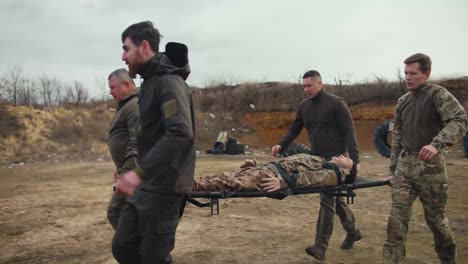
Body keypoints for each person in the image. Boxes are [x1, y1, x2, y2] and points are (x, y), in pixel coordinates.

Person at [111, 21, 195, 264]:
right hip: (149, 184)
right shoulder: (149, 83)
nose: (123, 56)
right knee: (123, 246)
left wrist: (137, 173)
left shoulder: (168, 82)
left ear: (144, 46)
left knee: (153, 257)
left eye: (126, 48)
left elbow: (180, 132)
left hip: (167, 186)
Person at [383, 53, 467, 264]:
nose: (408, 78)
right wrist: (393, 170)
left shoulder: (438, 94)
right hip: (405, 167)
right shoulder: (402, 101)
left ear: (426, 74)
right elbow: (397, 138)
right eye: (405, 73)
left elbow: (459, 120)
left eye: (413, 73)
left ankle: (448, 260)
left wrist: (437, 144)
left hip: (431, 169)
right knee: (396, 220)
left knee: (436, 221)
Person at [271, 70, 361, 260]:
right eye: (303, 86)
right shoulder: (304, 106)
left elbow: (350, 133)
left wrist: (354, 161)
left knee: (327, 198)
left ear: (320, 84)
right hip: (317, 159)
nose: (306, 89)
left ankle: (320, 246)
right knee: (334, 198)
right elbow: (294, 128)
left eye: (309, 85)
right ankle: (353, 231)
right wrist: (281, 144)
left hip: (337, 160)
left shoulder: (336, 103)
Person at [193, 154, 357, 192]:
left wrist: (283, 183)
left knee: (228, 183)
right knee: (223, 176)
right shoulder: (322, 161)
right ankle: (187, 183)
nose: (343, 155)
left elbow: (308, 179)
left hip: (272, 177)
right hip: (268, 169)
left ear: (346, 171)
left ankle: (188, 186)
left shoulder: (333, 174)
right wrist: (255, 165)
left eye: (347, 159)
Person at [106, 68, 139, 230]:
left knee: (115, 211)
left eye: (113, 87)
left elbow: (136, 142)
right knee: (129, 212)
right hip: (127, 171)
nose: (110, 92)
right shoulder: (125, 105)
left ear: (126, 85)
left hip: (133, 173)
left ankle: (133, 248)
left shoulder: (133, 105)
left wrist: (127, 174)